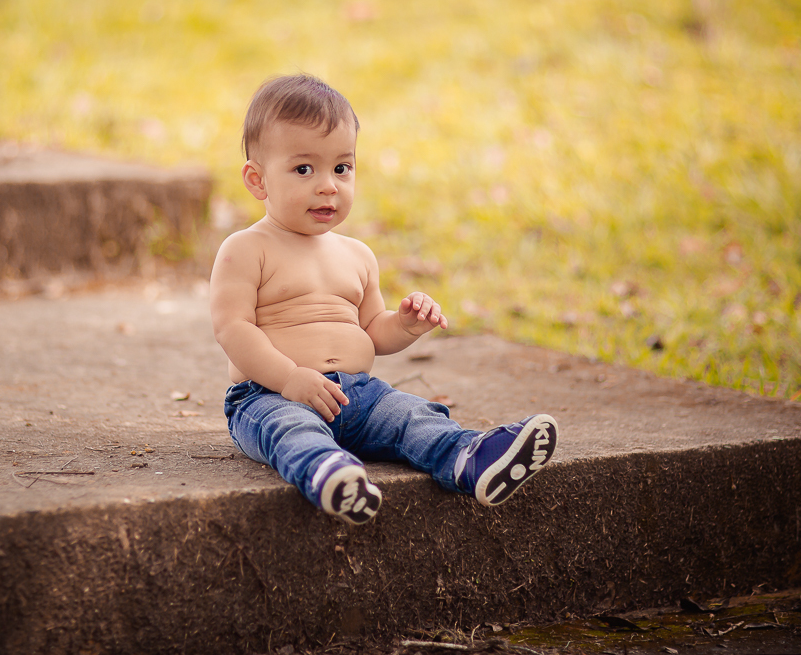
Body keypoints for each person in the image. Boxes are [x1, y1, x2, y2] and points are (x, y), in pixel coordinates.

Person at [209, 74, 557, 524]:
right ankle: (330, 474)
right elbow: (233, 329)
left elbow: (374, 331)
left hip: (360, 396)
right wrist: (290, 377)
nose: (328, 185)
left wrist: (406, 324)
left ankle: (470, 458)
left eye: (342, 168)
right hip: (269, 394)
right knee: (292, 431)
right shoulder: (246, 248)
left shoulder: (357, 255)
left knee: (410, 415)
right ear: (257, 180)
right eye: (303, 169)